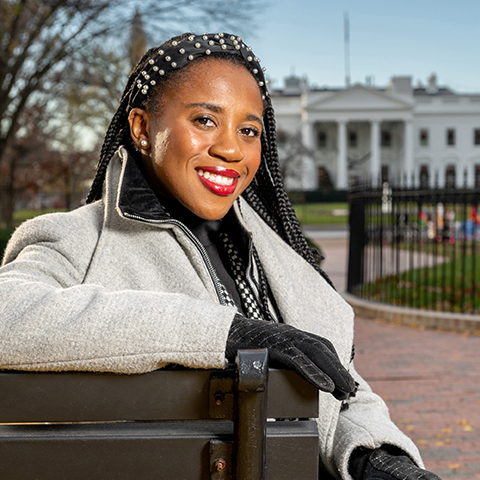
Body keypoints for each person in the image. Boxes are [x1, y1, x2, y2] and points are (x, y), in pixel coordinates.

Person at [0, 32, 441, 480]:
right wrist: (226, 335)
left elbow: (338, 383)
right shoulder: (78, 240)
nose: (231, 149)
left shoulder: (275, 259)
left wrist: (375, 457)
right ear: (142, 128)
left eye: (248, 130)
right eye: (205, 120)